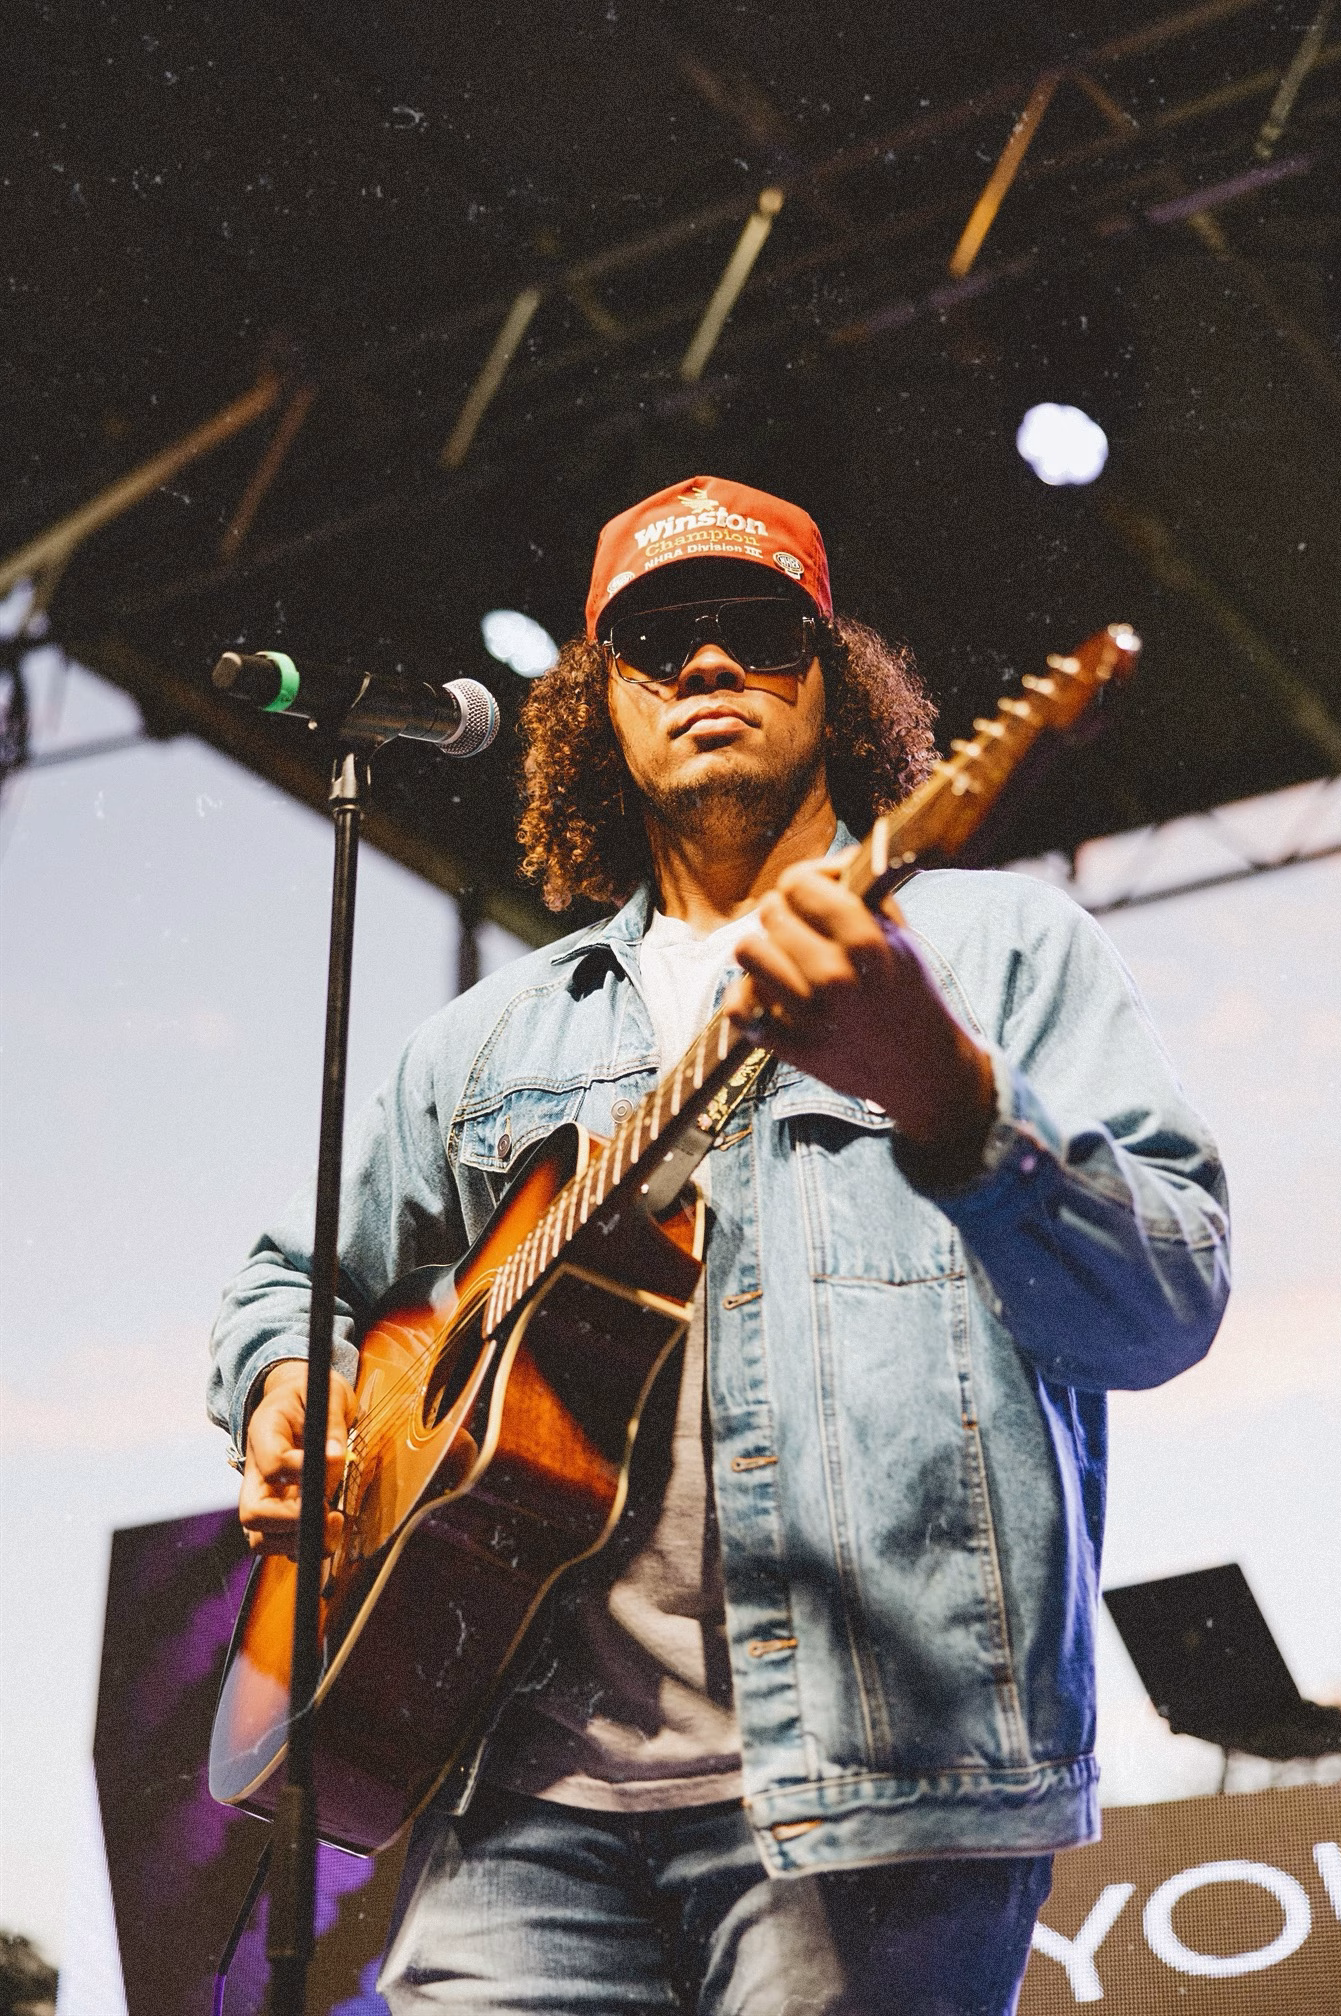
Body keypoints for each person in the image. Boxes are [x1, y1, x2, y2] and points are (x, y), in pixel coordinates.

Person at [208, 475, 1230, 2015]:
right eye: (656, 639)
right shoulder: (488, 1043)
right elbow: (295, 1280)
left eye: (756, 630)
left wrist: (952, 1100)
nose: (705, 663)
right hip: (513, 1812)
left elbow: (1168, 1301)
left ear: (834, 679)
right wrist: (291, 1384)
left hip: (880, 1808)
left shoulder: (1002, 951)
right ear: (596, 701)